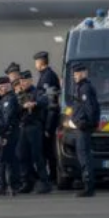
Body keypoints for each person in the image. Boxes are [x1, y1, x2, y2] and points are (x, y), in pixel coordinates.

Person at [17, 71, 52, 194]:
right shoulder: (20, 94)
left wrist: (34, 103)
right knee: (22, 155)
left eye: (25, 81)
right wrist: (22, 107)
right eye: (21, 81)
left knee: (37, 156)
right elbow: (16, 108)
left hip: (34, 127)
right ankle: (27, 182)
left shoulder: (37, 92)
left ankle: (44, 182)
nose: (23, 83)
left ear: (30, 81)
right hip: (23, 127)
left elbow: (45, 101)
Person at [69, 63, 100, 197]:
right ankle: (87, 183)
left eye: (76, 74)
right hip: (81, 126)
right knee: (83, 155)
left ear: (82, 73)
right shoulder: (82, 87)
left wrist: (86, 123)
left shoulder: (85, 89)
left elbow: (90, 108)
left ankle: (88, 186)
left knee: (84, 156)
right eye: (74, 74)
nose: (75, 76)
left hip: (83, 127)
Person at [35, 51, 61, 182]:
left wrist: (48, 127)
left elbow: (51, 104)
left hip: (48, 120)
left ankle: (53, 176)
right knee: (47, 150)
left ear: (40, 63)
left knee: (49, 151)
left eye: (36, 62)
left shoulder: (47, 77)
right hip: (46, 119)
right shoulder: (46, 75)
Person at [0, 77, 22, 197]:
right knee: (10, 160)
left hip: (9, 134)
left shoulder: (8, 100)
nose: (2, 88)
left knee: (3, 160)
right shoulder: (6, 99)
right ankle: (12, 186)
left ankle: (4, 186)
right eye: (1, 86)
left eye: (5, 86)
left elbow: (6, 119)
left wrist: (2, 134)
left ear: (9, 86)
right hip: (11, 133)